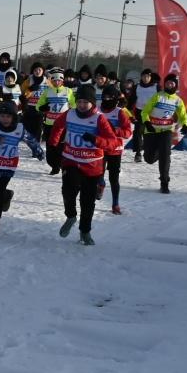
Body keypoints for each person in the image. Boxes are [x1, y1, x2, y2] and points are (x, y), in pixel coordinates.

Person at [48, 85, 121, 245]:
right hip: (71, 160)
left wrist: (96, 140)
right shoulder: (70, 114)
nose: (81, 105)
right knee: (68, 190)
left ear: (93, 103)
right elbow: (57, 126)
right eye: (79, 101)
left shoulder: (99, 119)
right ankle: (71, 216)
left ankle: (85, 231)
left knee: (88, 202)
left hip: (92, 166)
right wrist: (53, 144)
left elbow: (113, 142)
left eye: (85, 102)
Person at [0, 100, 44, 236]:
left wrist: (38, 151)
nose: (5, 119)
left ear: (14, 117)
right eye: (2, 116)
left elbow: (31, 140)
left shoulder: (19, 128)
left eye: (8, 116)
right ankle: (6, 195)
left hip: (7, 166)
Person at [141, 73, 187, 193]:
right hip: (151, 130)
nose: (169, 85)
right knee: (149, 159)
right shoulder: (157, 96)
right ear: (165, 84)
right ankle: (159, 151)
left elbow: (183, 115)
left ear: (175, 85)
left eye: (172, 83)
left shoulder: (178, 100)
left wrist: (186, 125)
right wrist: (147, 123)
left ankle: (164, 182)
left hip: (167, 130)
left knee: (165, 155)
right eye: (167, 83)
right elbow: (145, 112)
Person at [97, 85, 133, 214]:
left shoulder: (120, 112)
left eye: (110, 97)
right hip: (100, 148)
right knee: (98, 174)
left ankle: (115, 204)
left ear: (115, 99)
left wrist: (116, 130)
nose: (107, 99)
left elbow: (128, 132)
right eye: (105, 97)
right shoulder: (97, 110)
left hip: (115, 149)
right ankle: (100, 184)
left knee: (114, 178)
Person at [37, 67, 75, 175]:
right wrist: (42, 108)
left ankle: (60, 166)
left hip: (63, 125)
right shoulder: (47, 91)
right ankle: (53, 164)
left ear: (62, 80)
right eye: (54, 80)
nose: (57, 82)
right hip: (49, 124)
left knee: (61, 147)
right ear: (51, 80)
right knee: (50, 147)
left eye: (59, 80)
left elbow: (74, 105)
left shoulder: (68, 91)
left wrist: (72, 112)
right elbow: (38, 105)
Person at [130, 69, 159, 162]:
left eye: (147, 76)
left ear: (151, 77)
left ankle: (151, 151)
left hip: (152, 113)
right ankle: (138, 153)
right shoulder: (137, 87)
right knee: (138, 132)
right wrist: (128, 110)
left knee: (150, 133)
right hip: (140, 112)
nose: (145, 78)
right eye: (143, 76)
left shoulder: (156, 87)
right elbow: (131, 100)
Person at [21, 62, 49, 142]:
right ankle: (30, 143)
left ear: (43, 71)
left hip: (41, 108)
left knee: (38, 128)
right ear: (32, 71)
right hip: (30, 107)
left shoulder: (47, 81)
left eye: (39, 70)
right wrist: (30, 89)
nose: (37, 71)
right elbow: (22, 92)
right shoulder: (28, 80)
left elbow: (52, 92)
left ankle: (36, 146)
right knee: (29, 128)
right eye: (35, 70)